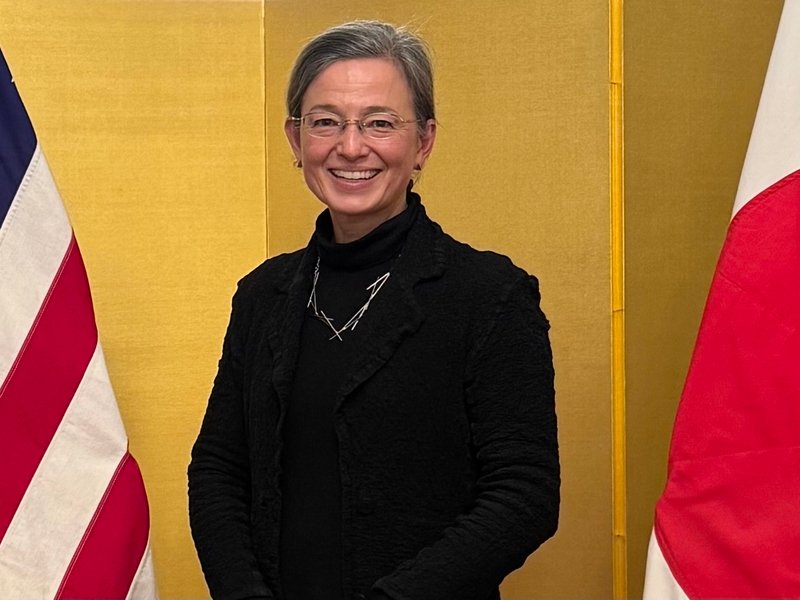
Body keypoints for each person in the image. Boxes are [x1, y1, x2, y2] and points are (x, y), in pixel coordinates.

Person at [188, 20, 559, 600]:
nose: (351, 146)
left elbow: (523, 496)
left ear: (424, 142)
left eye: (380, 123)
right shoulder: (263, 294)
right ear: (295, 138)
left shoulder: (490, 295)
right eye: (326, 122)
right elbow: (218, 468)